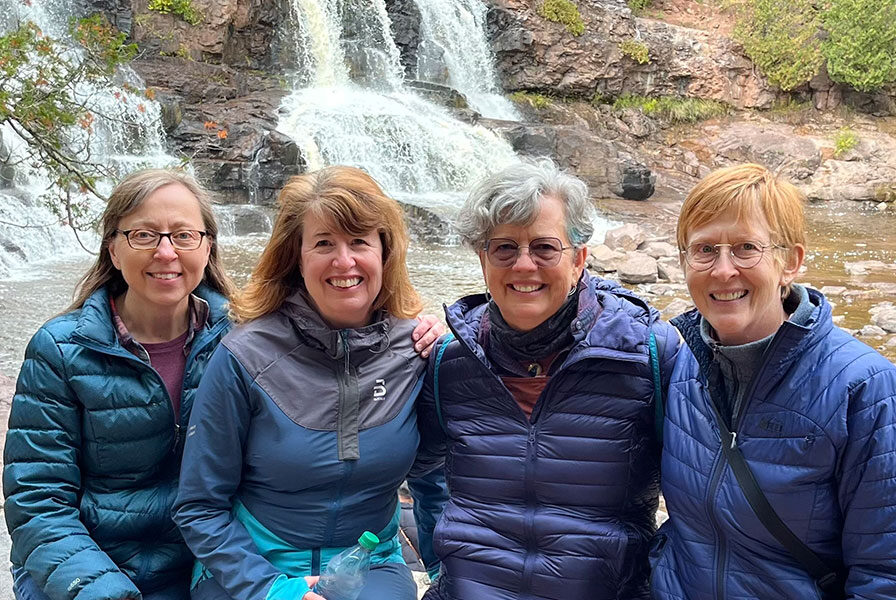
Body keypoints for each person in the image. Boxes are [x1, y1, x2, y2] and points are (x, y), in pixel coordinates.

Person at [172, 166, 448, 600]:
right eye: (323, 244)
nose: (344, 261)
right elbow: (199, 507)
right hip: (250, 568)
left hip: (370, 565)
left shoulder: (418, 351)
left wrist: (444, 573)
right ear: (296, 259)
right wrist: (271, 590)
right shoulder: (244, 356)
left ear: (385, 253)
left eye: (359, 241)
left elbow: (436, 474)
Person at [416, 160, 681, 600]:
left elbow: (701, 500)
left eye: (544, 248)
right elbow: (406, 467)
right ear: (482, 259)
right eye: (504, 248)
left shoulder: (649, 354)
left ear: (579, 258)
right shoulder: (449, 360)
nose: (523, 265)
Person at [650, 163, 896, 599]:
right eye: (704, 249)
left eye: (747, 247)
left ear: (791, 262)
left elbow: (887, 572)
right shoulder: (678, 362)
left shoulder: (865, 389)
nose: (723, 270)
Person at [3, 169, 236, 600]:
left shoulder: (242, 339)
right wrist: (102, 590)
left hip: (200, 568)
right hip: (80, 567)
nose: (166, 252)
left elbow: (335, 323)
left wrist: (404, 325)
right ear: (113, 248)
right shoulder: (60, 349)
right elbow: (37, 498)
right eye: (144, 235)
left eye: (184, 235)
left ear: (207, 248)